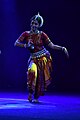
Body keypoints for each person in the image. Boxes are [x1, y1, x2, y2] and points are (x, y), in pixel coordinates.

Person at [14, 13, 69, 103]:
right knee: (32, 71)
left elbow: (52, 45)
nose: (33, 25)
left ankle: (36, 97)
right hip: (33, 58)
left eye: (36, 24)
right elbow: (16, 43)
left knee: (40, 78)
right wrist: (25, 45)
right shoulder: (26, 34)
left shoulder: (42, 34)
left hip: (43, 57)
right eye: (32, 23)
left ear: (39, 25)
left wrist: (62, 48)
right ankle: (30, 93)